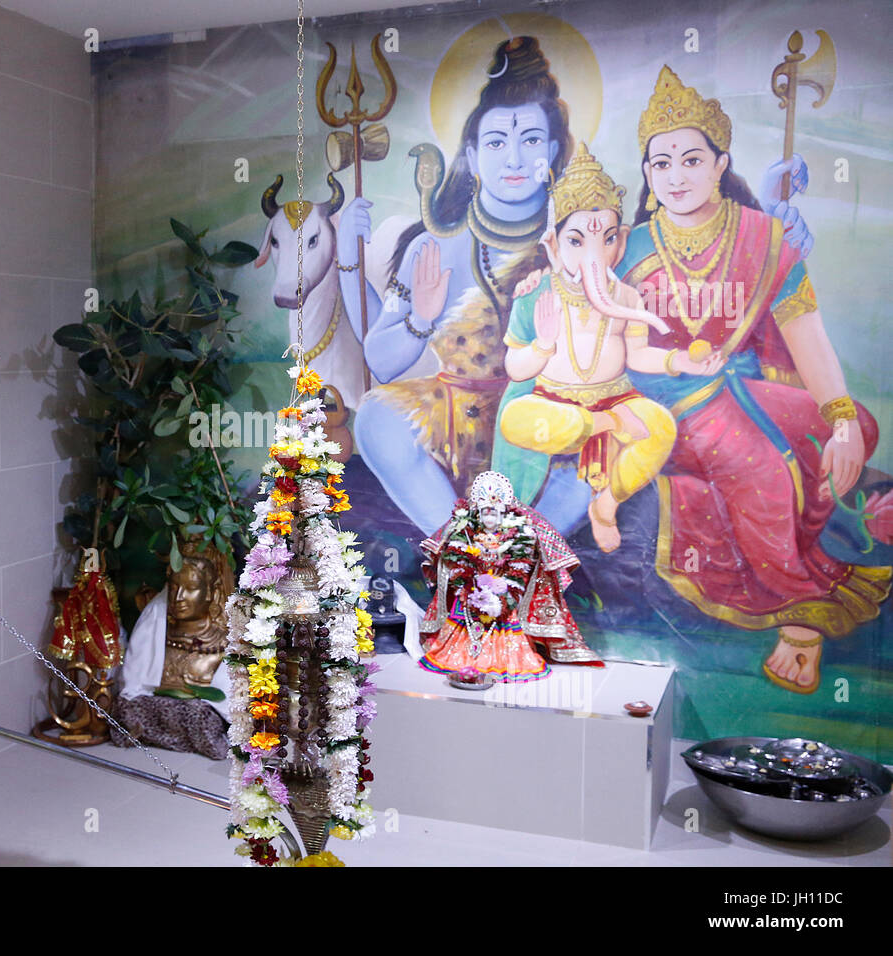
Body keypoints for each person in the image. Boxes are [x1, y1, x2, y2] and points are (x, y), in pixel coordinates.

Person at [615, 66, 888, 694]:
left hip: (734, 388)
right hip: (663, 401)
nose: (676, 176)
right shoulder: (627, 249)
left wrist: (843, 419)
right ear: (649, 177)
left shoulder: (763, 240)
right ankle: (800, 612)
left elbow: (806, 335)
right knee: (762, 466)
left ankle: (810, 537)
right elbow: (574, 283)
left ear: (720, 163)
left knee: (857, 426)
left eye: (691, 159)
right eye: (661, 164)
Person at [339, 37, 572, 534]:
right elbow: (380, 361)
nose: (512, 158)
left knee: (599, 447)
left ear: (552, 148)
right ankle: (459, 556)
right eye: (495, 142)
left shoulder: (577, 238)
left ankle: (522, 562)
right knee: (378, 419)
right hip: (455, 412)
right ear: (471, 152)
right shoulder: (437, 245)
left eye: (530, 139)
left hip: (545, 413)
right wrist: (420, 319)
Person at [499, 144, 700, 552]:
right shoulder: (536, 294)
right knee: (514, 419)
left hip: (615, 396)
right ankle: (603, 428)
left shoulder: (626, 298)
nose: (593, 254)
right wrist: (543, 344)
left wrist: (678, 360)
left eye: (606, 239)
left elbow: (638, 355)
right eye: (576, 241)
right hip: (556, 405)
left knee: (662, 427)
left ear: (620, 243)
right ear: (554, 246)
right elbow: (516, 369)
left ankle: (605, 506)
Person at [418, 471, 601, 679]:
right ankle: (463, 656)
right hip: (471, 592)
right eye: (485, 513)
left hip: (502, 593)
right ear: (478, 514)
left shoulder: (514, 536)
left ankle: (500, 658)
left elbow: (522, 563)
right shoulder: (469, 534)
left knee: (505, 619)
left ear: (502, 514)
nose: (489, 518)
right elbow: (456, 557)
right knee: (462, 621)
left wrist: (502, 585)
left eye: (493, 513)